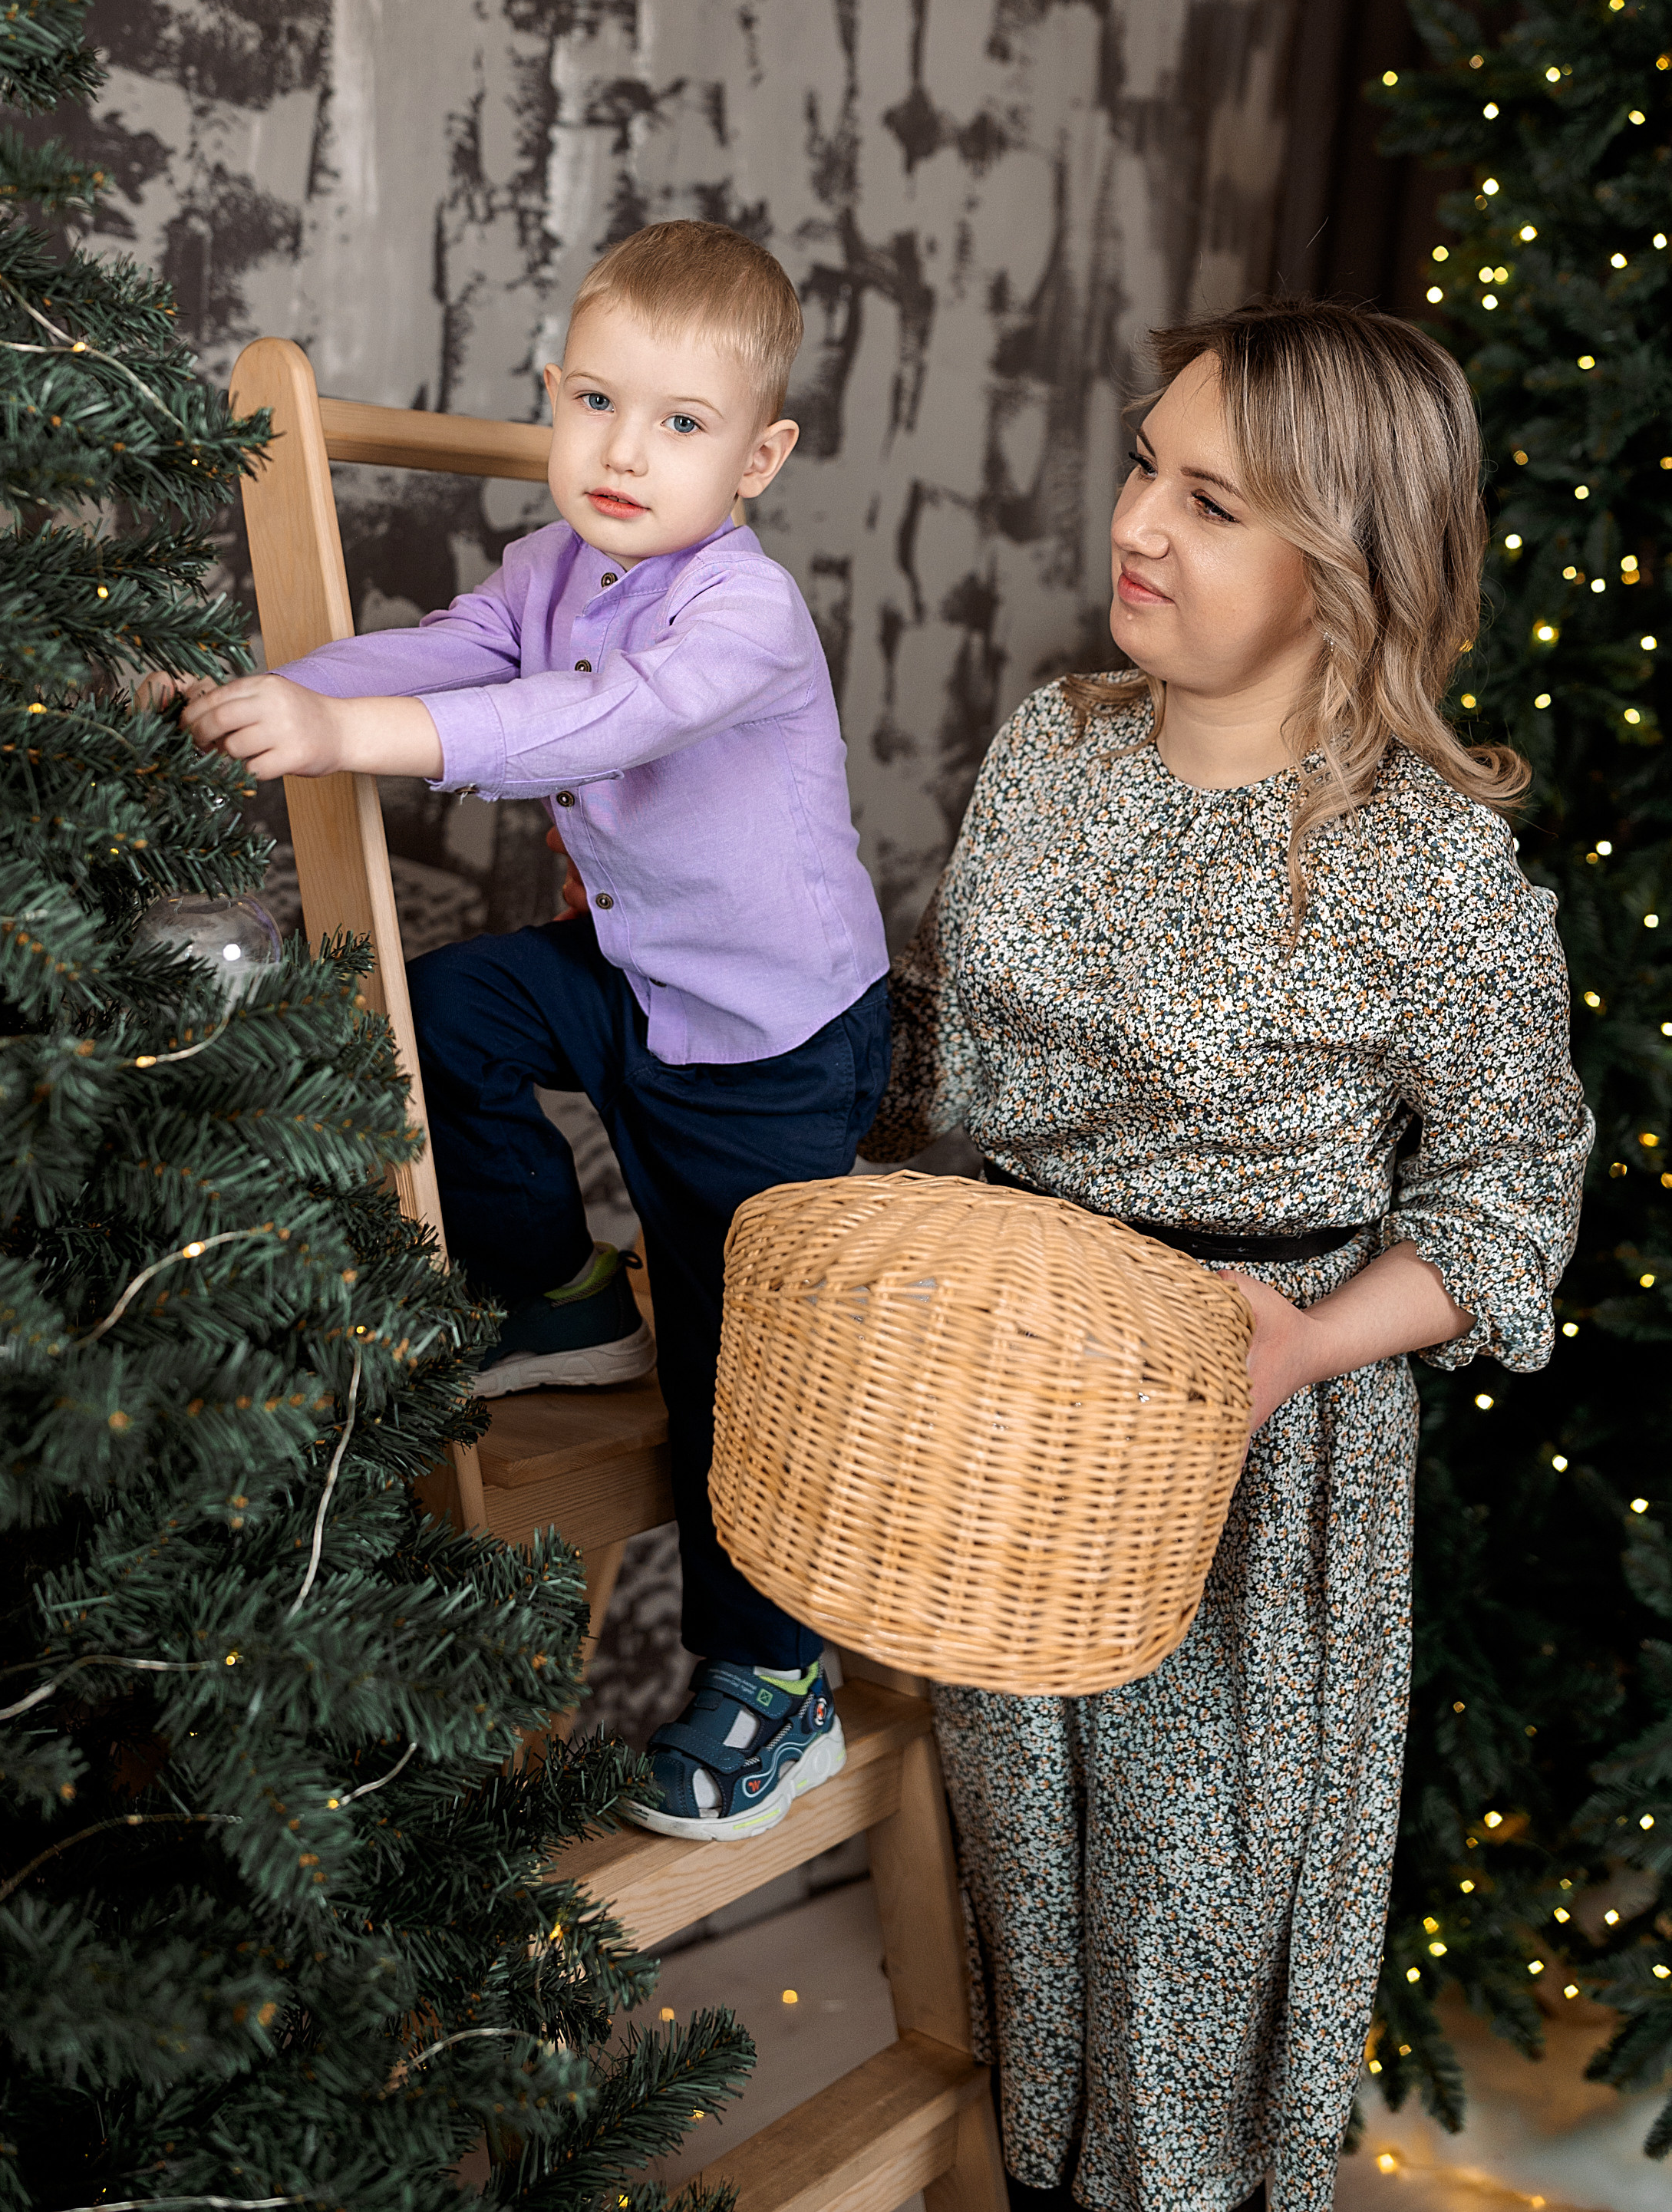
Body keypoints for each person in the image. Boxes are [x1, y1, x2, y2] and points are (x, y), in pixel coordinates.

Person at [860, 302, 1591, 2212]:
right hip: (1023, 1414)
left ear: (1347, 561)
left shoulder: (1425, 864)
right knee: (1025, 1869)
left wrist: (1302, 1346)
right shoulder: (1054, 746)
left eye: (1213, 502)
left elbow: (1507, 1198)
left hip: (1251, 1437)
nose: (1140, 524)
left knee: (1191, 1930)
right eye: (1143, 466)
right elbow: (947, 1046)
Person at [180, 219, 890, 1841]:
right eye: (593, 401)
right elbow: (466, 652)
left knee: (738, 1368)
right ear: (551, 397)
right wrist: (279, 692)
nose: (624, 451)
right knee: (441, 1011)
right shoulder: (557, 565)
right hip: (635, 975)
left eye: (682, 423)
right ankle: (562, 1294)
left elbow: (592, 714)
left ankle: (774, 1684)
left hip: (771, 1047)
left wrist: (350, 730)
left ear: (760, 455)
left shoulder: (743, 613)